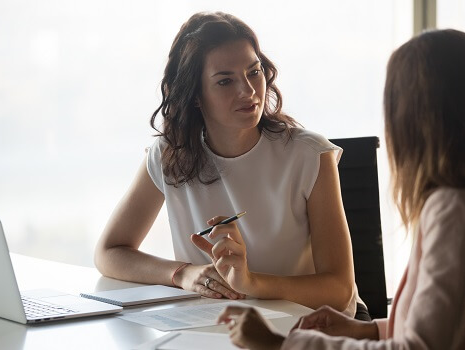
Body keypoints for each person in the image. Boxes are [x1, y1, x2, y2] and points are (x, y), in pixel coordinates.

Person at [217, 29, 465, 349]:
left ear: (409, 118)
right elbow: (457, 325)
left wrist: (277, 344)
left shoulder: (455, 208)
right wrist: (367, 330)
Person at [94, 11, 368, 317]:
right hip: (219, 328)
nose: (249, 91)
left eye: (254, 72)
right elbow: (109, 252)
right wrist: (183, 274)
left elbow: (339, 289)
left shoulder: (309, 154)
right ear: (195, 95)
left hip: (317, 326)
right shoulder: (170, 154)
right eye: (225, 81)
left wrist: (252, 283)